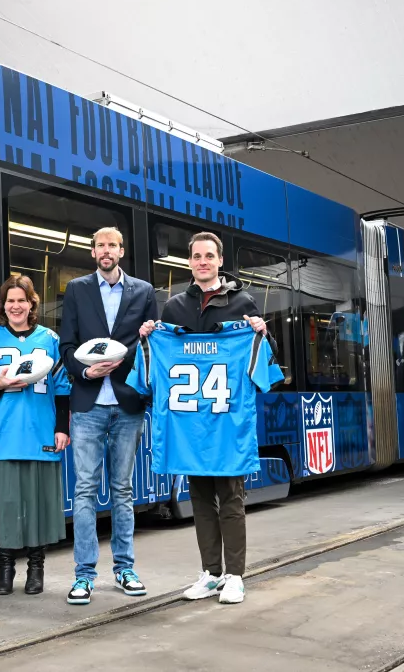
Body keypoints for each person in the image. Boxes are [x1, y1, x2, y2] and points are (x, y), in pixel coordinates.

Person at [138, 231, 269, 605]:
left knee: (231, 499)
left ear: (220, 261)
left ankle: (236, 575)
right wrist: (149, 337)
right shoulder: (175, 308)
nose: (202, 262)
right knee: (200, 500)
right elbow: (156, 362)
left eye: (209, 256)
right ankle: (211, 572)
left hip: (226, 424)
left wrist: (261, 333)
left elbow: (262, 368)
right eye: (196, 256)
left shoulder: (243, 303)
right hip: (190, 426)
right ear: (190, 262)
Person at [59, 226, 158, 605]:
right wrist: (85, 371)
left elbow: (151, 346)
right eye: (100, 244)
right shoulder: (77, 290)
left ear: (121, 250)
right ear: (92, 251)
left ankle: (125, 569)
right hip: (87, 404)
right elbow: (67, 345)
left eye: (113, 245)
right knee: (84, 490)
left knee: (122, 490)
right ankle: (83, 575)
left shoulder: (144, 292)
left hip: (128, 403)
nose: (106, 250)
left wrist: (139, 348)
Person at [0, 275, 71, 595]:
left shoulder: (49, 339)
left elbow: (63, 388)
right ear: (3, 305)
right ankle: (6, 568)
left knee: (38, 504)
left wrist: (62, 428)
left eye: (22, 300)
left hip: (39, 430)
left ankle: (36, 569)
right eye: (10, 300)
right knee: (6, 503)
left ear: (32, 304)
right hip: (1, 433)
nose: (16, 306)